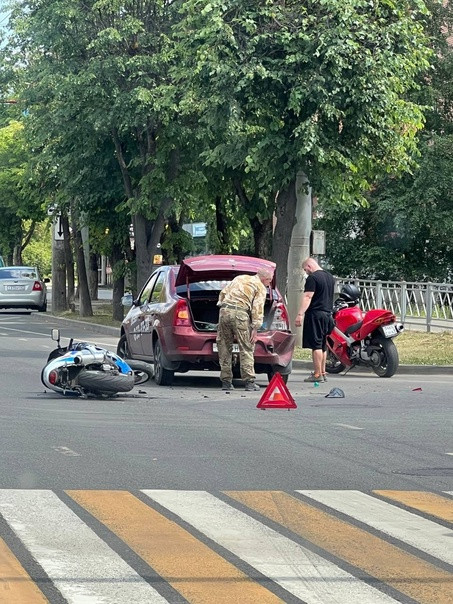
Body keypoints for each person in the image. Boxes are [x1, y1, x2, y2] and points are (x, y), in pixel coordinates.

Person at [216, 268, 274, 391]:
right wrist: (255, 328)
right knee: (246, 347)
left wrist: (222, 305)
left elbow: (223, 293)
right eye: (270, 281)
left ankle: (226, 382)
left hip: (224, 312)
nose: (269, 284)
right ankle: (249, 382)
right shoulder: (260, 287)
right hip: (240, 314)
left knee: (224, 346)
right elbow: (257, 308)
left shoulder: (240, 278)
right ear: (265, 279)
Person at [295, 257, 335, 382]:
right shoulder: (330, 277)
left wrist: (300, 314)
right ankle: (323, 372)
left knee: (316, 345)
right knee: (323, 345)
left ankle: (317, 375)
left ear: (309, 266)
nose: (306, 272)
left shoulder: (312, 278)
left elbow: (308, 297)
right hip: (327, 314)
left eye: (305, 269)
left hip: (316, 314)